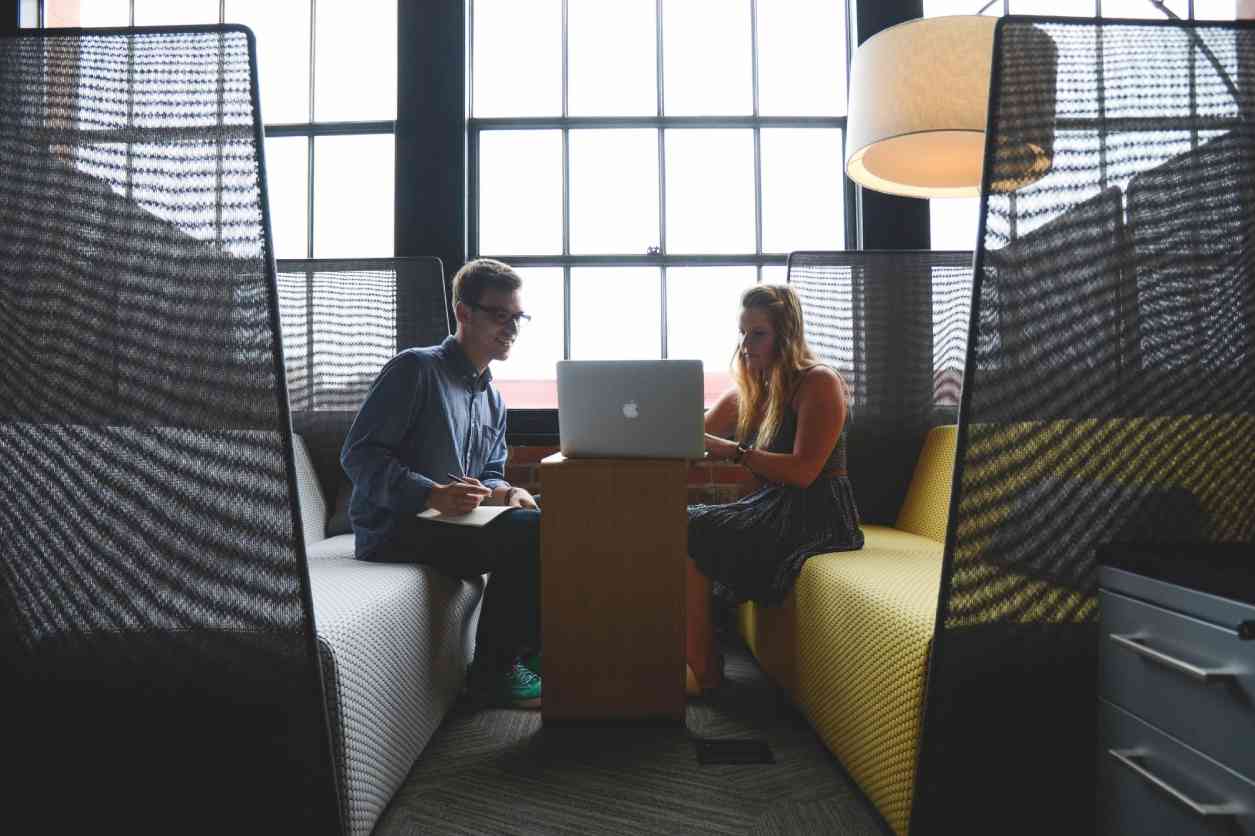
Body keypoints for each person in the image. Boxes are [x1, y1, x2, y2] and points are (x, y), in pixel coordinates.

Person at [340, 258, 542, 708]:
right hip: (395, 529)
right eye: (499, 315)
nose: (511, 328)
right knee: (533, 533)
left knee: (548, 517)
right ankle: (492, 674)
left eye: (518, 317)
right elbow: (359, 455)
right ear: (463, 312)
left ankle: (531, 651)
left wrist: (506, 492)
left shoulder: (493, 398)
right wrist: (430, 494)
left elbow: (489, 471)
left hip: (453, 525)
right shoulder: (415, 369)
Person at [686, 284, 864, 692]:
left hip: (818, 512)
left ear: (785, 335)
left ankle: (704, 668)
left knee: (692, 528)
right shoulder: (749, 391)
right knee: (682, 524)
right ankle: (696, 657)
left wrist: (736, 452)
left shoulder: (818, 382)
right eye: (742, 333)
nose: (746, 344)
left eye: (758, 333)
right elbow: (691, 438)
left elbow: (804, 472)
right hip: (771, 505)